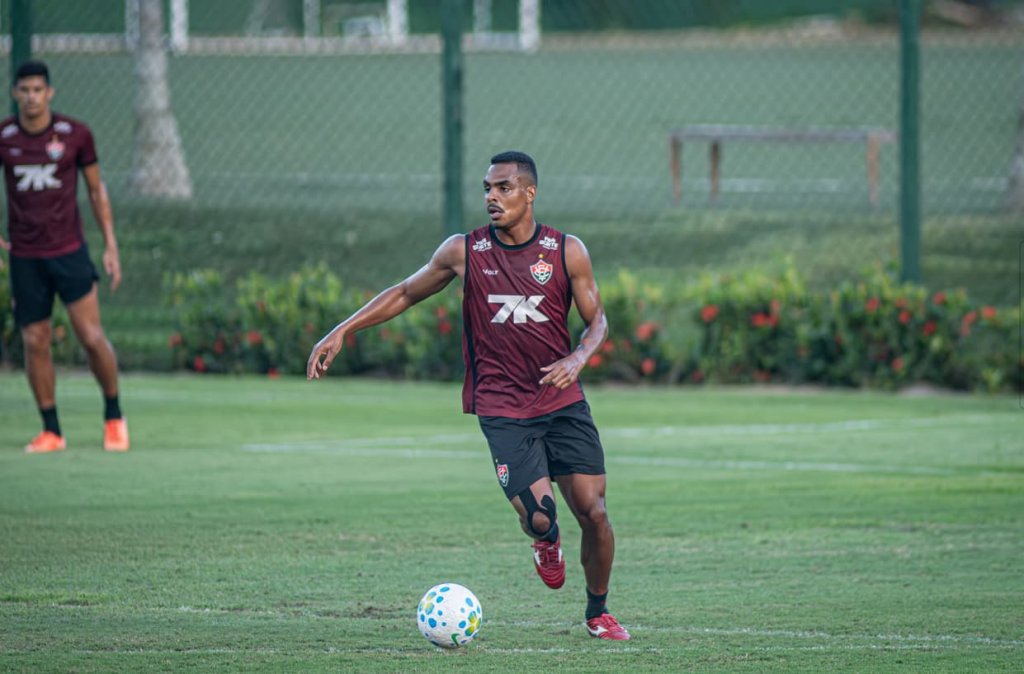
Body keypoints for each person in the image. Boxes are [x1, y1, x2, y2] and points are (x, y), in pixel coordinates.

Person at [307, 150, 630, 640]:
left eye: (503, 188)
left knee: (596, 513)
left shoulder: (567, 251)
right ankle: (546, 541)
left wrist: (578, 357)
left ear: (530, 193)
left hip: (561, 403)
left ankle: (597, 612)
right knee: (541, 517)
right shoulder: (465, 251)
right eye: (487, 189)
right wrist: (343, 329)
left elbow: (597, 320)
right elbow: (405, 292)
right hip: (502, 407)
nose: (491, 198)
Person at [0, 60, 128, 453]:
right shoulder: (5, 137)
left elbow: (96, 192)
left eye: (38, 90)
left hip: (69, 251)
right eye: (25, 90)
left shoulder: (75, 135)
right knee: (34, 339)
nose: (32, 97)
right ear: (15, 94)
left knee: (90, 336)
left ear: (50, 93)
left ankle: (114, 416)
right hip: (25, 255)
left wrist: (110, 245)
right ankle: (51, 430)